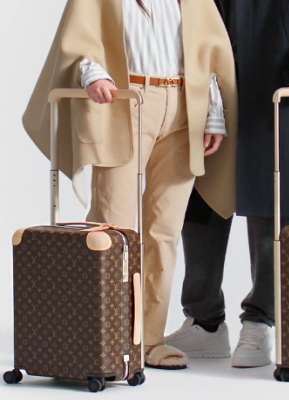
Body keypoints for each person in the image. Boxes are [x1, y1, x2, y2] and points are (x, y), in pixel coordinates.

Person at [22, 0, 237, 370]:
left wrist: (215, 113)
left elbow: (209, 51)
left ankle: (150, 339)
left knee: (164, 231)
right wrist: (93, 74)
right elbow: (78, 44)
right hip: (126, 101)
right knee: (114, 226)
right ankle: (107, 333)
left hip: (185, 106)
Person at [166, 0, 289, 368]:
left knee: (271, 200)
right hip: (212, 82)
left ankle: (261, 321)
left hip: (279, 81)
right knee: (199, 195)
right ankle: (204, 322)